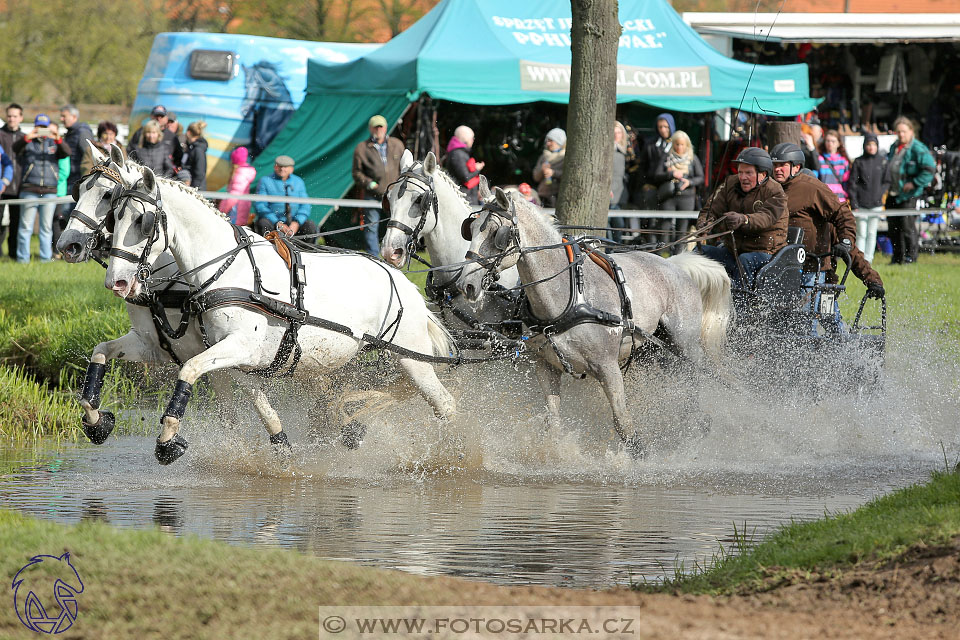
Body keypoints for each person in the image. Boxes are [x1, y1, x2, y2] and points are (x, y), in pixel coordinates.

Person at [770, 142, 885, 332]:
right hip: (787, 271)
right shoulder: (773, 191)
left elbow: (851, 250)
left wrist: (872, 279)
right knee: (819, 320)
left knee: (812, 323)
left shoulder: (814, 193)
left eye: (782, 165)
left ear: (796, 167)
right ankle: (839, 351)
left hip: (815, 274)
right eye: (774, 165)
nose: (777, 169)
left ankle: (846, 354)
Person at [695, 147, 788, 288]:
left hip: (767, 254)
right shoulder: (730, 184)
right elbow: (711, 209)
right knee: (699, 252)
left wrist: (744, 219)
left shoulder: (775, 191)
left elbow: (766, 217)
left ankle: (741, 306)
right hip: (733, 252)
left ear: (762, 174)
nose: (743, 177)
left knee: (745, 260)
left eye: (748, 173)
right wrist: (705, 223)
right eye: (740, 172)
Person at [12, 114, 70, 263]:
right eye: (39, 127)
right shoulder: (28, 142)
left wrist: (58, 138)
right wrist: (28, 137)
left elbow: (67, 152)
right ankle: (22, 259)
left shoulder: (54, 143)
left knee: (46, 228)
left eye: (44, 127)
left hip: (50, 191)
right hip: (29, 189)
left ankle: (45, 259)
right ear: (34, 126)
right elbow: (14, 148)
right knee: (25, 227)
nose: (42, 130)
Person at [884, 116, 936, 265]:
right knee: (893, 227)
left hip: (908, 195)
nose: (901, 135)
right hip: (893, 192)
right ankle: (897, 257)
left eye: (904, 132)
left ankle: (911, 257)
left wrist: (914, 183)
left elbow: (929, 169)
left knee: (907, 227)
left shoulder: (918, 148)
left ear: (911, 131)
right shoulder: (894, 147)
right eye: (898, 132)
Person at [352, 114, 404, 254]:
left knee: (398, 226)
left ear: (386, 128)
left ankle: (396, 255)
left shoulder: (397, 144)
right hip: (372, 195)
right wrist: (370, 184)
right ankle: (374, 257)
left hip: (395, 195)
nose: (378, 130)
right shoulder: (362, 148)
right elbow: (357, 173)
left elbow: (405, 168)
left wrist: (402, 185)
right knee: (371, 227)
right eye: (376, 127)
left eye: (381, 127)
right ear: (370, 129)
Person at [654, 130, 704, 254]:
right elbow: (656, 175)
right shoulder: (666, 156)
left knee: (682, 230)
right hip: (669, 196)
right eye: (677, 144)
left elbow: (700, 177)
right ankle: (662, 255)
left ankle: (678, 257)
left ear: (687, 145)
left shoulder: (693, 158)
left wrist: (689, 182)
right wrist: (671, 174)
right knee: (665, 227)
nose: (679, 147)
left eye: (682, 145)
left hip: (687, 198)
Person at [849, 132, 889, 263]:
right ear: (864, 145)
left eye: (873, 144)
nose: (871, 147)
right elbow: (852, 184)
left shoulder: (882, 161)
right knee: (861, 233)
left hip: (876, 204)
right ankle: (859, 259)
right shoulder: (859, 162)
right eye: (868, 144)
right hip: (861, 204)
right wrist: (854, 203)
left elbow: (887, 181)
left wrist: (881, 195)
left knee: (872, 233)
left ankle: (868, 259)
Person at [254, 154, 316, 240]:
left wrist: (297, 222)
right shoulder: (265, 180)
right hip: (273, 222)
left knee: (310, 226)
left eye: (286, 167)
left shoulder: (298, 181)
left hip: (294, 223)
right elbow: (260, 206)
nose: (282, 169)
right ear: (275, 167)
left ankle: (306, 252)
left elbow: (305, 205)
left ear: (291, 169)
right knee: (263, 223)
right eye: (279, 166)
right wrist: (277, 223)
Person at [636, 113, 675, 212]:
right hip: (652, 185)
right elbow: (642, 166)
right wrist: (644, 184)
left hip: (669, 186)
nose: (663, 130)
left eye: (666, 126)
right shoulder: (650, 144)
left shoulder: (677, 143)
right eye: (660, 127)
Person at [0, 103, 24, 259]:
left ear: (21, 118)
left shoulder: (25, 138)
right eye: (9, 116)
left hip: (19, 186)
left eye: (15, 116)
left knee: (16, 223)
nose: (11, 119)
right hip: (2, 186)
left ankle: (14, 253)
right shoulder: (0, 135)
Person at [444, 125, 485, 205]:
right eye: (472, 138)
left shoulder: (459, 152)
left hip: (467, 196)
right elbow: (465, 177)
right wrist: (477, 169)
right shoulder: (457, 154)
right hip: (464, 199)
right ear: (466, 138)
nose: (473, 140)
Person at [218, 146, 257, 226]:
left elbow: (233, 196)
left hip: (235, 208)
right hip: (242, 205)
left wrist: (222, 210)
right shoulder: (246, 171)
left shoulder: (239, 174)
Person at [608, 121, 630, 243]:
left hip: (620, 192)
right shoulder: (610, 151)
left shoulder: (623, 151)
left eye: (619, 132)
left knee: (618, 225)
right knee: (612, 226)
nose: (616, 135)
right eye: (614, 132)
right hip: (610, 193)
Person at [532, 128, 566, 207]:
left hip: (557, 197)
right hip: (542, 195)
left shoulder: (565, 157)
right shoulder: (544, 156)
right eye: (547, 140)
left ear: (559, 141)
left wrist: (554, 173)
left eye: (551, 140)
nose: (548, 143)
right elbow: (535, 177)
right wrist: (542, 170)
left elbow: (568, 176)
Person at [817, 129, 851, 202]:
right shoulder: (819, 159)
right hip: (824, 198)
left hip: (840, 198)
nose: (830, 143)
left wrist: (846, 194)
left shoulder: (844, 161)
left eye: (833, 141)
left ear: (838, 143)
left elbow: (847, 182)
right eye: (828, 141)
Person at [181, 121, 208, 191]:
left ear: (188, 133)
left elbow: (199, 172)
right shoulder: (191, 148)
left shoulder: (198, 150)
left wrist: (194, 189)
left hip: (196, 188)